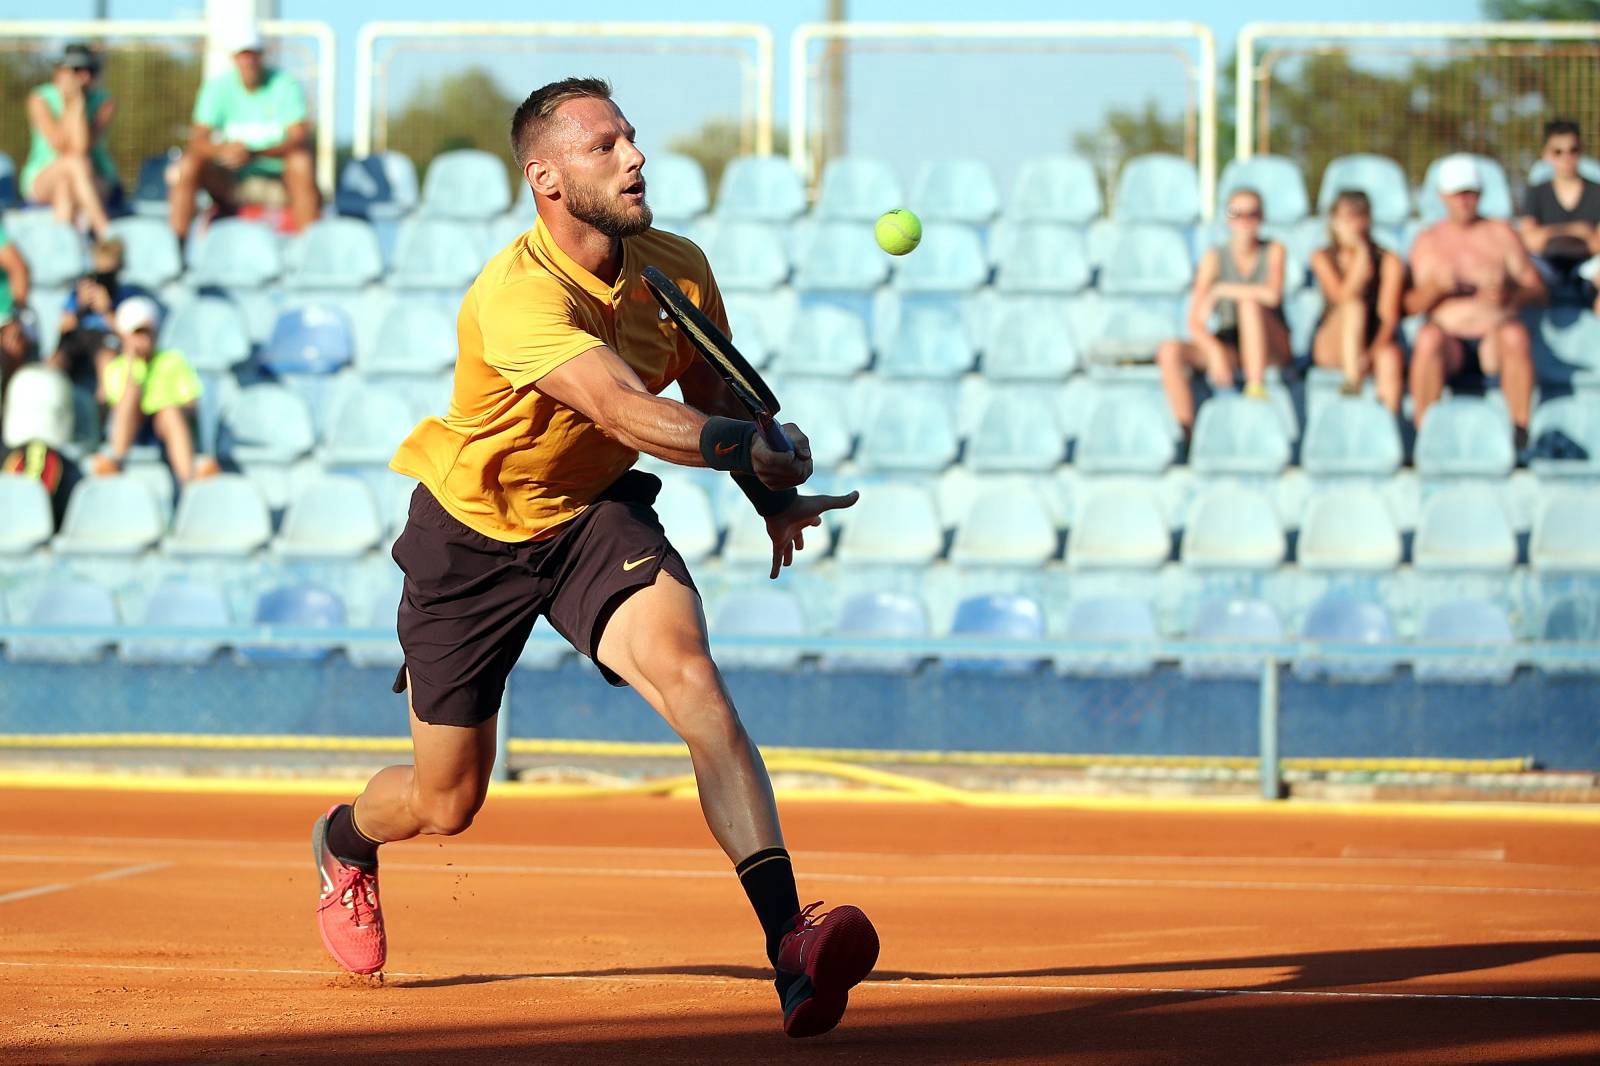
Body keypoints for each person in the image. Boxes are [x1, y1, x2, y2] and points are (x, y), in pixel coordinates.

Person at [307, 77, 877, 1039]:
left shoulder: (677, 269)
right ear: (548, 180)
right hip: (472, 536)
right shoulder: (516, 294)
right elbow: (624, 409)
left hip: (591, 517)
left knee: (696, 682)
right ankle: (342, 842)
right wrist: (744, 449)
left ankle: (790, 945)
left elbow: (713, 394)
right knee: (447, 802)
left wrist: (769, 494)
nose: (635, 157)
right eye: (606, 146)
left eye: (633, 138)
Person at [1406, 155, 1545, 443]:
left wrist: (1510, 293)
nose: (1465, 201)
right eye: (1458, 194)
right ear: (1443, 196)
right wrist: (1435, 290)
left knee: (1515, 335)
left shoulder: (1502, 234)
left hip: (1494, 341)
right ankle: (1425, 436)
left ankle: (1520, 433)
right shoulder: (1427, 240)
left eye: (1471, 193)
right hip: (1450, 345)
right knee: (1427, 338)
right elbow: (1406, 306)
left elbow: (1539, 291)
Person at [1156, 187, 1291, 438]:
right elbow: (1195, 322)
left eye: (1253, 213)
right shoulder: (1214, 258)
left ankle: (1255, 391)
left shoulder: (1273, 250)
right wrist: (1214, 350)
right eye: (1237, 213)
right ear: (1228, 218)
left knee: (1249, 305)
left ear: (1262, 217)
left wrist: (1221, 290)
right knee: (1169, 351)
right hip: (1231, 343)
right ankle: (1188, 435)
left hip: (1271, 344)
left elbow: (1272, 295)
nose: (1245, 221)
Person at [168, 24, 320, 239]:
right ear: (234, 58)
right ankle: (175, 248)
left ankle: (311, 249)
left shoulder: (284, 84)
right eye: (243, 55)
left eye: (253, 54)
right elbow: (198, 140)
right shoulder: (217, 88)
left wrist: (254, 153)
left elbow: (299, 136)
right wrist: (224, 151)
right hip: (230, 179)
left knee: (301, 161)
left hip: (277, 177)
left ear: (262, 56)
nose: (249, 61)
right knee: (188, 164)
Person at [89, 296, 217, 483]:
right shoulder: (117, 367)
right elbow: (119, 406)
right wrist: (133, 364)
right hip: (133, 428)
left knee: (170, 412)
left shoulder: (173, 360)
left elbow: (190, 403)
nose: (143, 338)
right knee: (131, 397)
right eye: (137, 332)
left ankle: (189, 480)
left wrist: (166, 407)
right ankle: (116, 459)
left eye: (147, 332)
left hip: (164, 428)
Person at [1310, 190, 1405, 413]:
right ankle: (1352, 388)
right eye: (1345, 217)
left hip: (1370, 341)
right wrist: (1361, 257)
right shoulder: (1322, 256)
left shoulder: (1388, 260)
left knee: (1390, 357)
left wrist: (1370, 354)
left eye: (1357, 216)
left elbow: (1389, 317)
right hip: (1332, 341)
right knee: (1353, 307)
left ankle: (1389, 430)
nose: (1351, 224)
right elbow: (1341, 297)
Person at [20, 43, 117, 240]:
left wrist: (77, 102)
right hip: (45, 175)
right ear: (61, 71)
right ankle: (106, 235)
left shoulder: (105, 101)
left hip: (94, 176)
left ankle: (64, 253)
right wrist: (72, 102)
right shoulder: (40, 98)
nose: (85, 77)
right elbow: (62, 146)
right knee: (74, 164)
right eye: (77, 70)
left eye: (90, 70)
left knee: (67, 183)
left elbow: (82, 147)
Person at [1518, 119, 1600, 313]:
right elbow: (1529, 241)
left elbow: (1597, 245)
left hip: (1587, 266)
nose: (1566, 158)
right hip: (1547, 265)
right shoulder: (1537, 192)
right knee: (1523, 281)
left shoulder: (1597, 192)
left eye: (1573, 150)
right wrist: (1578, 231)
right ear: (1546, 155)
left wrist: (1547, 233)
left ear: (1581, 151)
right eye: (1558, 152)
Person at [50, 237, 137, 393]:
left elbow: (129, 336)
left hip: (106, 339)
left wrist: (107, 311)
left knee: (107, 362)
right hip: (79, 337)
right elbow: (63, 328)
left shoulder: (126, 296)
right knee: (55, 362)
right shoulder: (78, 293)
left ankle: (101, 409)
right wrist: (80, 306)